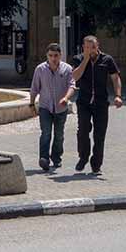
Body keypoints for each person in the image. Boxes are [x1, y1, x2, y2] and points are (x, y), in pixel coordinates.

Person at [71, 35, 122, 176]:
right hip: (84, 102)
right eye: (87, 47)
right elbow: (74, 77)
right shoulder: (78, 59)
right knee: (83, 131)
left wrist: (117, 96)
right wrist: (86, 60)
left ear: (97, 46)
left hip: (101, 102)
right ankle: (83, 158)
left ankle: (96, 164)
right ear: (83, 48)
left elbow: (115, 78)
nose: (90, 50)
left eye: (92, 47)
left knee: (99, 135)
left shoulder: (107, 60)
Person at [29, 43, 76, 172]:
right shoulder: (40, 69)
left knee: (59, 135)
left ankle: (56, 157)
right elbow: (34, 88)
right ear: (47, 56)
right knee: (46, 133)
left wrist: (66, 98)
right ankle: (44, 159)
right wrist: (32, 104)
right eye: (50, 55)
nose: (53, 58)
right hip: (45, 107)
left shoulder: (67, 69)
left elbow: (72, 86)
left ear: (60, 55)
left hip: (61, 108)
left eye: (56, 55)